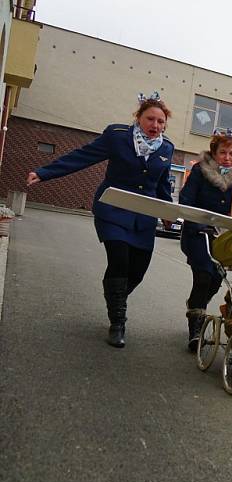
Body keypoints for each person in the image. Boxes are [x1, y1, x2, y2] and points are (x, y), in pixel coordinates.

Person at [26, 93, 174, 349]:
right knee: (119, 258)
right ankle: (118, 321)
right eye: (150, 119)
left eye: (161, 122)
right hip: (113, 210)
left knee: (137, 270)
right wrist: (44, 173)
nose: (156, 125)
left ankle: (114, 295)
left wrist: (168, 212)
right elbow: (83, 156)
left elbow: (161, 185)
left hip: (143, 218)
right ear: (138, 118)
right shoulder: (117, 136)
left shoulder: (166, 148)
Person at [179, 129, 232, 352]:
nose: (228, 157)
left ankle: (195, 305)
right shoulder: (200, 170)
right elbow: (186, 198)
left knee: (217, 278)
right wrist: (196, 221)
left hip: (223, 236)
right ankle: (195, 329)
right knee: (204, 274)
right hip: (198, 233)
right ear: (214, 153)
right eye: (223, 152)